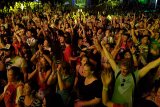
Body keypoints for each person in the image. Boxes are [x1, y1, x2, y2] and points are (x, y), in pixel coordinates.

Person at [101, 40, 160, 107]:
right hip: (114, 105)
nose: (122, 71)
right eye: (121, 69)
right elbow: (110, 58)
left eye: (125, 70)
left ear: (129, 69)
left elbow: (150, 66)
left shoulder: (135, 75)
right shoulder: (118, 71)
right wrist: (103, 46)